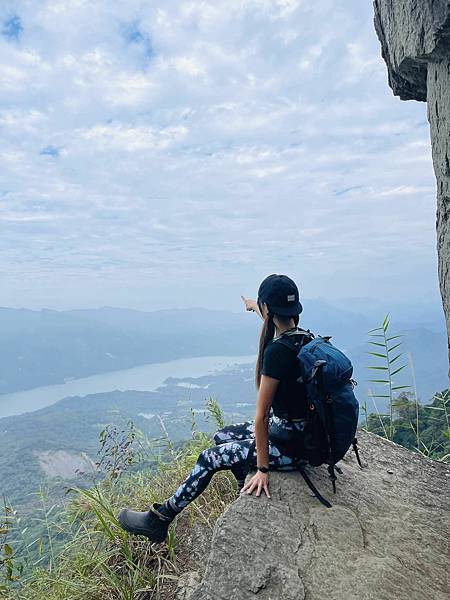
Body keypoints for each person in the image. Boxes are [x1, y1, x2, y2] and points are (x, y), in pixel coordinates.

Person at [118, 274, 312, 543]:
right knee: (223, 435)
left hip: (290, 448)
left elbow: (261, 418)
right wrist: (252, 304)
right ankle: (242, 490)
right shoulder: (304, 339)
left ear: (269, 308)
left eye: (262, 307)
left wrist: (263, 470)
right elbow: (269, 314)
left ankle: (159, 519)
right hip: (303, 437)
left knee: (209, 457)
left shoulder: (277, 353)